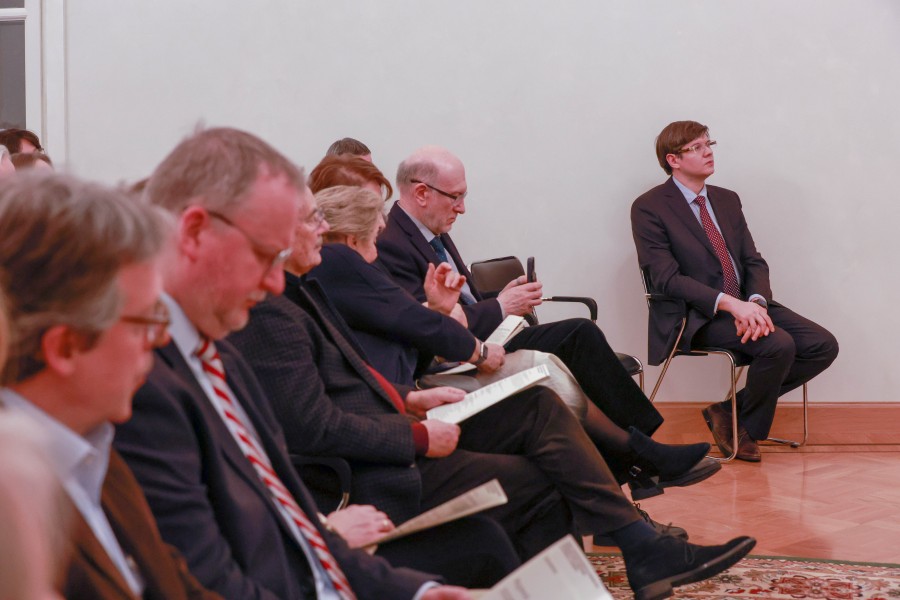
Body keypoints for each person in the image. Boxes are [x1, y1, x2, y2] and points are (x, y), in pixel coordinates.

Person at [226, 180, 758, 600]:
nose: (321, 228)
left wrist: (409, 398)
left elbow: (353, 368)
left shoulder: (299, 288)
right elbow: (312, 424)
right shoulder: (289, 297)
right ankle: (631, 523)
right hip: (371, 466)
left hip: (399, 414)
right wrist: (416, 431)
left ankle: (637, 527)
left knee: (539, 402)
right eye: (311, 220)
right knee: (544, 466)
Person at [113, 126, 471, 599]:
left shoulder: (218, 356)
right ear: (195, 232)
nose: (276, 283)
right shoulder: (147, 386)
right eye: (266, 255)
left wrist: (416, 592)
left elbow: (298, 526)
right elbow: (214, 578)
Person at [306, 169, 717, 502]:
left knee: (569, 350)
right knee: (559, 360)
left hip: (453, 350)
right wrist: (490, 317)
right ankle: (640, 456)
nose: (462, 207)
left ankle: (639, 458)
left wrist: (483, 305)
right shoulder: (372, 251)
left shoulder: (421, 234)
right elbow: (415, 323)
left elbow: (422, 314)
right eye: (455, 197)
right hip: (438, 367)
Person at [0, 172, 221, 599]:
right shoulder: (15, 502)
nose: (161, 340)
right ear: (65, 347)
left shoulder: (93, 446)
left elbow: (178, 587)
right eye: (146, 322)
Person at [631, 120, 839, 462]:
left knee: (822, 345)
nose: (708, 152)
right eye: (697, 147)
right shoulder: (649, 206)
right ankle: (746, 430)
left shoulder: (727, 200)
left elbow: (752, 260)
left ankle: (729, 412)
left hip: (746, 303)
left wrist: (755, 302)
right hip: (696, 315)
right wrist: (730, 304)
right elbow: (666, 279)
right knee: (778, 344)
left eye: (709, 144)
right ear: (673, 159)